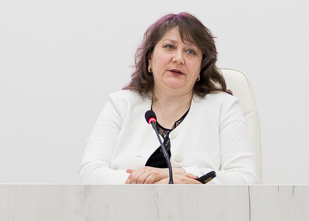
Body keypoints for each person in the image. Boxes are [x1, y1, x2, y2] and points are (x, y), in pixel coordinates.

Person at [78, 13, 257, 185]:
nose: (179, 58)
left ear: (201, 68)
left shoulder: (224, 107)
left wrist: (181, 174)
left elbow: (245, 179)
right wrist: (154, 183)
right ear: (150, 59)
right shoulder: (121, 104)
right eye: (169, 47)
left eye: (191, 51)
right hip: (125, 206)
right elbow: (89, 173)